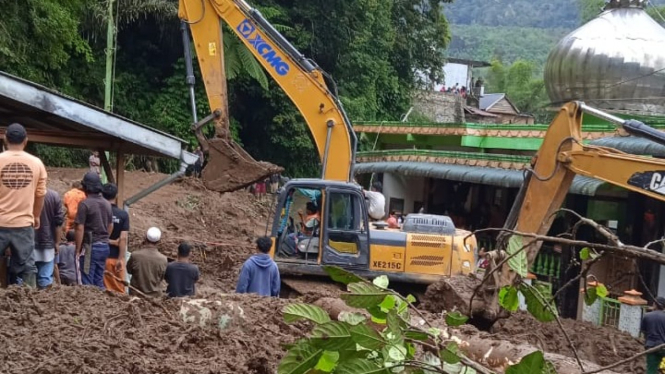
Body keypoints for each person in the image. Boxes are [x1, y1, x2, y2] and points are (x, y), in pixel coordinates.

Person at [0, 123, 47, 288]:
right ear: (25, 141)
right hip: (23, 224)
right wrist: (36, 216)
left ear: (5, 139)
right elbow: (40, 194)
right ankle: (30, 302)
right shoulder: (37, 163)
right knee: (28, 267)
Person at [75, 171, 113, 288]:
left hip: (90, 247)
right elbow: (110, 226)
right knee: (99, 279)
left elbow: (79, 228)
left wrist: (78, 249)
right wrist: (105, 238)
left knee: (87, 281)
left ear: (86, 187)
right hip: (104, 247)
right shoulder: (107, 204)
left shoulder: (85, 204)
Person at [102, 183, 129, 294]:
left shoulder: (100, 212)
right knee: (119, 289)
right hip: (116, 258)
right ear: (116, 195)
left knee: (103, 289)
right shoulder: (123, 215)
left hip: (101, 256)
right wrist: (120, 259)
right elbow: (123, 238)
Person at [33, 188, 64, 289]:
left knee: (26, 277)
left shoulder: (26, 194)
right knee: (45, 278)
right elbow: (58, 222)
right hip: (48, 242)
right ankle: (44, 302)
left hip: (27, 242)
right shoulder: (54, 196)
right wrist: (57, 242)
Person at [126, 227, 168, 297]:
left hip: (136, 294)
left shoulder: (135, 255)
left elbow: (129, 270)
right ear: (159, 241)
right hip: (154, 296)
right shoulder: (163, 259)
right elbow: (161, 278)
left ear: (145, 238)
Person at [641, 296, 665, 373]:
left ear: (654, 304)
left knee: (651, 369)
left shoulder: (647, 316)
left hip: (651, 346)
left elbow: (643, 331)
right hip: (663, 346)